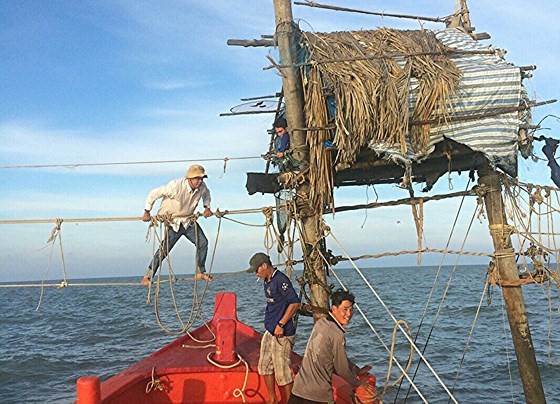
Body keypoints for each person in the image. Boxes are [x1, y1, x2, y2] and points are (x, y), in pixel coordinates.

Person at [288, 289, 376, 404]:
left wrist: (356, 370)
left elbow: (337, 356)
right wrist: (359, 383)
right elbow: (342, 369)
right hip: (318, 394)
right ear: (334, 309)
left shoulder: (321, 323)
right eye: (345, 309)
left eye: (351, 309)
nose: (349, 314)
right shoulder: (337, 334)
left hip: (299, 388)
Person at [141, 164, 213, 286]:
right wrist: (147, 211)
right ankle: (147, 276)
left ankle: (200, 271)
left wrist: (207, 208)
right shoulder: (175, 186)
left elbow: (206, 195)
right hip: (174, 221)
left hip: (188, 221)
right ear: (190, 178)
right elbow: (154, 193)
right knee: (165, 249)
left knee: (203, 242)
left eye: (202, 178)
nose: (200, 181)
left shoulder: (202, 187)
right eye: (197, 178)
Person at [247, 252, 301, 404]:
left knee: (282, 372)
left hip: (281, 334)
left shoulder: (280, 280)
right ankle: (272, 400)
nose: (256, 273)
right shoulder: (266, 281)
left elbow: (295, 303)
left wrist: (281, 324)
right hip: (270, 331)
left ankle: (290, 401)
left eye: (257, 270)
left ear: (264, 266)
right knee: (264, 366)